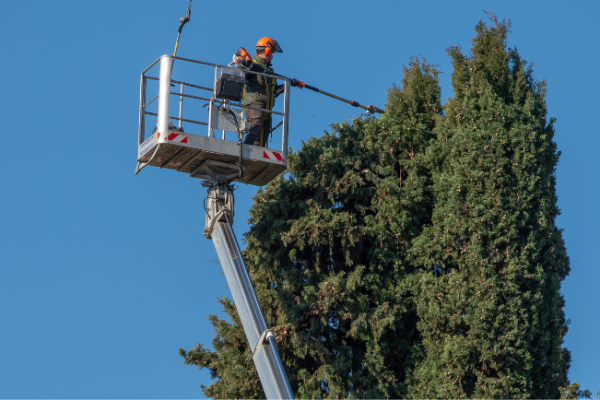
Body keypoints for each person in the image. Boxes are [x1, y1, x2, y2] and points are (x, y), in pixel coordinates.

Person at [236, 37, 303, 146]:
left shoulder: (269, 72)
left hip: (267, 109)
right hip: (255, 105)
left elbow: (273, 91)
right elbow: (241, 71)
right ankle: (244, 153)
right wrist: (250, 67)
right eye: (272, 53)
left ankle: (255, 157)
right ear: (267, 51)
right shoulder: (251, 64)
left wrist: (288, 84)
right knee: (255, 131)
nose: (272, 56)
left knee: (263, 138)